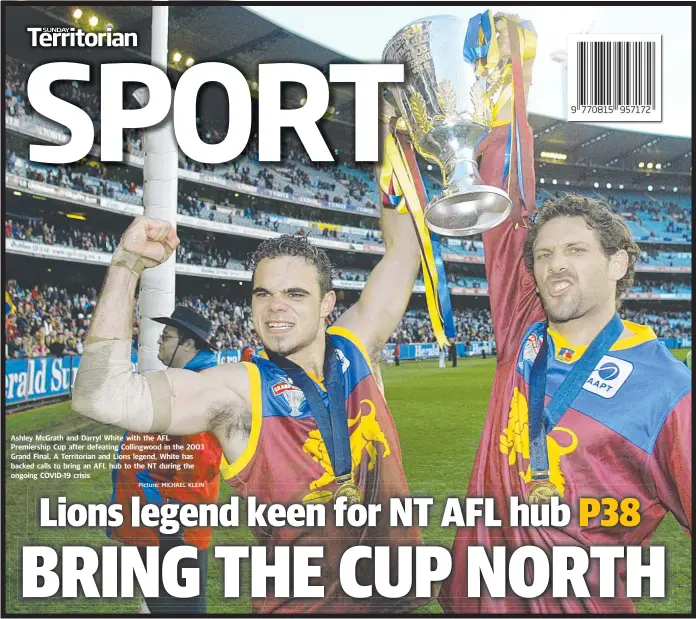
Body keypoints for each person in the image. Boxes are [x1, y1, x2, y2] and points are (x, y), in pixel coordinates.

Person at [72, 172, 425, 613]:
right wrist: (126, 267)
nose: (276, 306)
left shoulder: (357, 346)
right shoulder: (238, 389)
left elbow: (405, 250)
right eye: (264, 294)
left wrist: (390, 147)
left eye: (295, 294)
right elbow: (100, 396)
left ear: (328, 305)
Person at [439, 16, 692, 614]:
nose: (556, 265)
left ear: (619, 264)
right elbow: (507, 207)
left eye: (576, 251)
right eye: (546, 254)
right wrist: (512, 82)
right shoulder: (522, 330)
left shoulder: (669, 390)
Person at [108, 305, 222, 615]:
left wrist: (173, 527)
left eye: (167, 337)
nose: (160, 341)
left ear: (188, 344)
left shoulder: (198, 388)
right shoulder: (183, 381)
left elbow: (199, 466)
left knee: (179, 610)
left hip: (169, 532)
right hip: (153, 527)